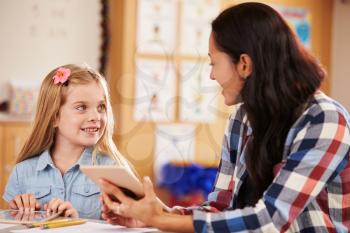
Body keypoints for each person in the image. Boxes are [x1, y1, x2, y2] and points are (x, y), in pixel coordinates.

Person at [98, 2, 350, 232]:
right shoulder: (242, 120)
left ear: (244, 64)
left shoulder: (324, 120)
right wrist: (154, 215)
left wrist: (160, 220)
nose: (211, 76)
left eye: (213, 63)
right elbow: (221, 208)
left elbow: (270, 221)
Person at [3, 64, 133, 219]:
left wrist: (77, 225)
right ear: (54, 117)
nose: (96, 116)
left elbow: (128, 226)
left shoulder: (114, 171)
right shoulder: (21, 172)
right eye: (81, 107)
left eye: (101, 107)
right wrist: (19, 213)